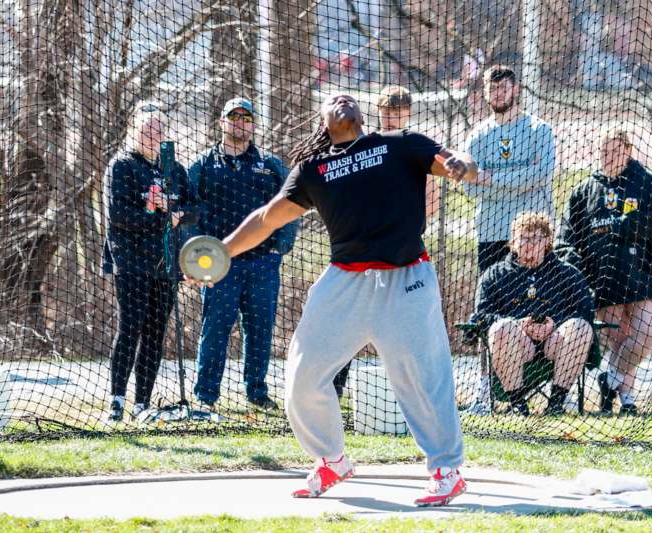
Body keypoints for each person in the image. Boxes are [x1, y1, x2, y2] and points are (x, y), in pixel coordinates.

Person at [189, 93, 478, 506]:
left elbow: (458, 161)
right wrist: (222, 250)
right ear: (323, 123)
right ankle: (331, 460)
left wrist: (463, 165)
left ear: (360, 115)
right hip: (345, 282)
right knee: (302, 377)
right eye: (332, 99)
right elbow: (268, 218)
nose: (342, 99)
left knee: (423, 375)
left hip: (407, 276)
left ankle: (446, 471)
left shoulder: (401, 143)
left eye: (348, 97)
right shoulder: (314, 168)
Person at [556, 129, 652, 415]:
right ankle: (626, 401)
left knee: (646, 333)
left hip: (648, 271)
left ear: (628, 150)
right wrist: (574, 260)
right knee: (619, 338)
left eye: (615, 150)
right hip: (604, 275)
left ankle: (609, 378)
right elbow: (566, 236)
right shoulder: (585, 190)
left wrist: (632, 226)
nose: (608, 157)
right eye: (603, 152)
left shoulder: (648, 182)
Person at [189, 97, 298, 412]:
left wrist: (280, 247)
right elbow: (187, 211)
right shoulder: (203, 166)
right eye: (234, 117)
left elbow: (292, 206)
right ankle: (206, 396)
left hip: (263, 263)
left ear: (253, 123)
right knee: (215, 330)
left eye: (246, 118)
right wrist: (197, 258)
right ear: (221, 122)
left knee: (260, 330)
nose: (241, 123)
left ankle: (257, 392)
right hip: (219, 265)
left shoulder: (270, 164)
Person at [331, 85, 439, 398]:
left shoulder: (416, 147)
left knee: (409, 325)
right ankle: (335, 388)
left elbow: (432, 203)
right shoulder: (364, 146)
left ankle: (416, 392)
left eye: (398, 112)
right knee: (350, 320)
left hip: (404, 252)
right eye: (386, 112)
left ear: (408, 114)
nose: (391, 118)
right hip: (363, 252)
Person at [102, 102, 198, 422]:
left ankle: (142, 403)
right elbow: (118, 216)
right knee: (131, 327)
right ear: (134, 131)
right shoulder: (122, 166)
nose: (153, 135)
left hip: (165, 263)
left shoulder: (174, 170)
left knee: (156, 332)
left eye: (158, 130)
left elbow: (194, 210)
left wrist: (174, 214)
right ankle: (117, 400)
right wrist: (154, 211)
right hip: (130, 260)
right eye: (146, 129)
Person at [471, 212, 594, 415]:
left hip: (555, 343)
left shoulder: (568, 273)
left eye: (536, 238)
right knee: (502, 328)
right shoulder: (494, 274)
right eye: (524, 238)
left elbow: (585, 312)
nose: (529, 244)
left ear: (547, 241)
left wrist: (554, 324)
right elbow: (481, 315)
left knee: (581, 328)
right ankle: (518, 405)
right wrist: (518, 324)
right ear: (513, 242)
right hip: (516, 344)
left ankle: (556, 404)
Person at [462, 65, 556, 274]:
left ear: (516, 89)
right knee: (493, 302)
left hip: (533, 237)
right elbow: (469, 188)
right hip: (491, 234)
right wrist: (522, 183)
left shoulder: (539, 129)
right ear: (485, 93)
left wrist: (491, 179)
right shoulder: (477, 136)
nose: (498, 93)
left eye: (503, 87)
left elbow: (541, 175)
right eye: (492, 89)